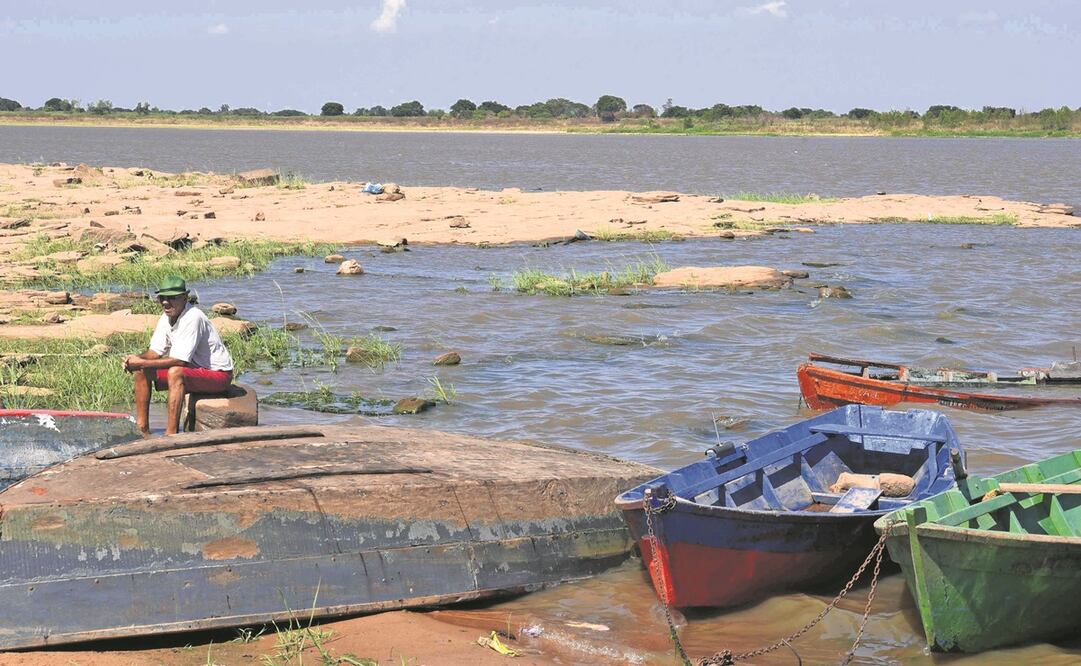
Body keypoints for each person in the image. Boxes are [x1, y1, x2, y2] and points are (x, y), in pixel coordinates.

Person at [123, 276, 234, 437]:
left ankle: (171, 434)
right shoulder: (166, 316)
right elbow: (154, 353)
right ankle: (143, 429)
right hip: (193, 370)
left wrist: (141, 362)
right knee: (141, 370)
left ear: (184, 298)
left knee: (175, 372)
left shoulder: (193, 317)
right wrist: (134, 359)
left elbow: (180, 361)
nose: (166, 303)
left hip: (219, 375)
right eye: (162, 298)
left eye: (172, 298)